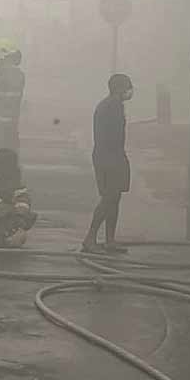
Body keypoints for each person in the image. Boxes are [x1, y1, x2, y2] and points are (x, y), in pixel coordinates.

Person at [82, 73, 134, 254]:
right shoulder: (111, 106)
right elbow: (110, 137)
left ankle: (110, 239)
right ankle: (90, 238)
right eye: (128, 86)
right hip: (109, 158)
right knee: (109, 198)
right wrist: (115, 160)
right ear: (119, 88)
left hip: (112, 156)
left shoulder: (112, 105)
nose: (130, 90)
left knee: (115, 198)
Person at [0, 38, 25, 156]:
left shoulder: (0, 72)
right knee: (10, 152)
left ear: (3, 55)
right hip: (11, 122)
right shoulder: (20, 75)